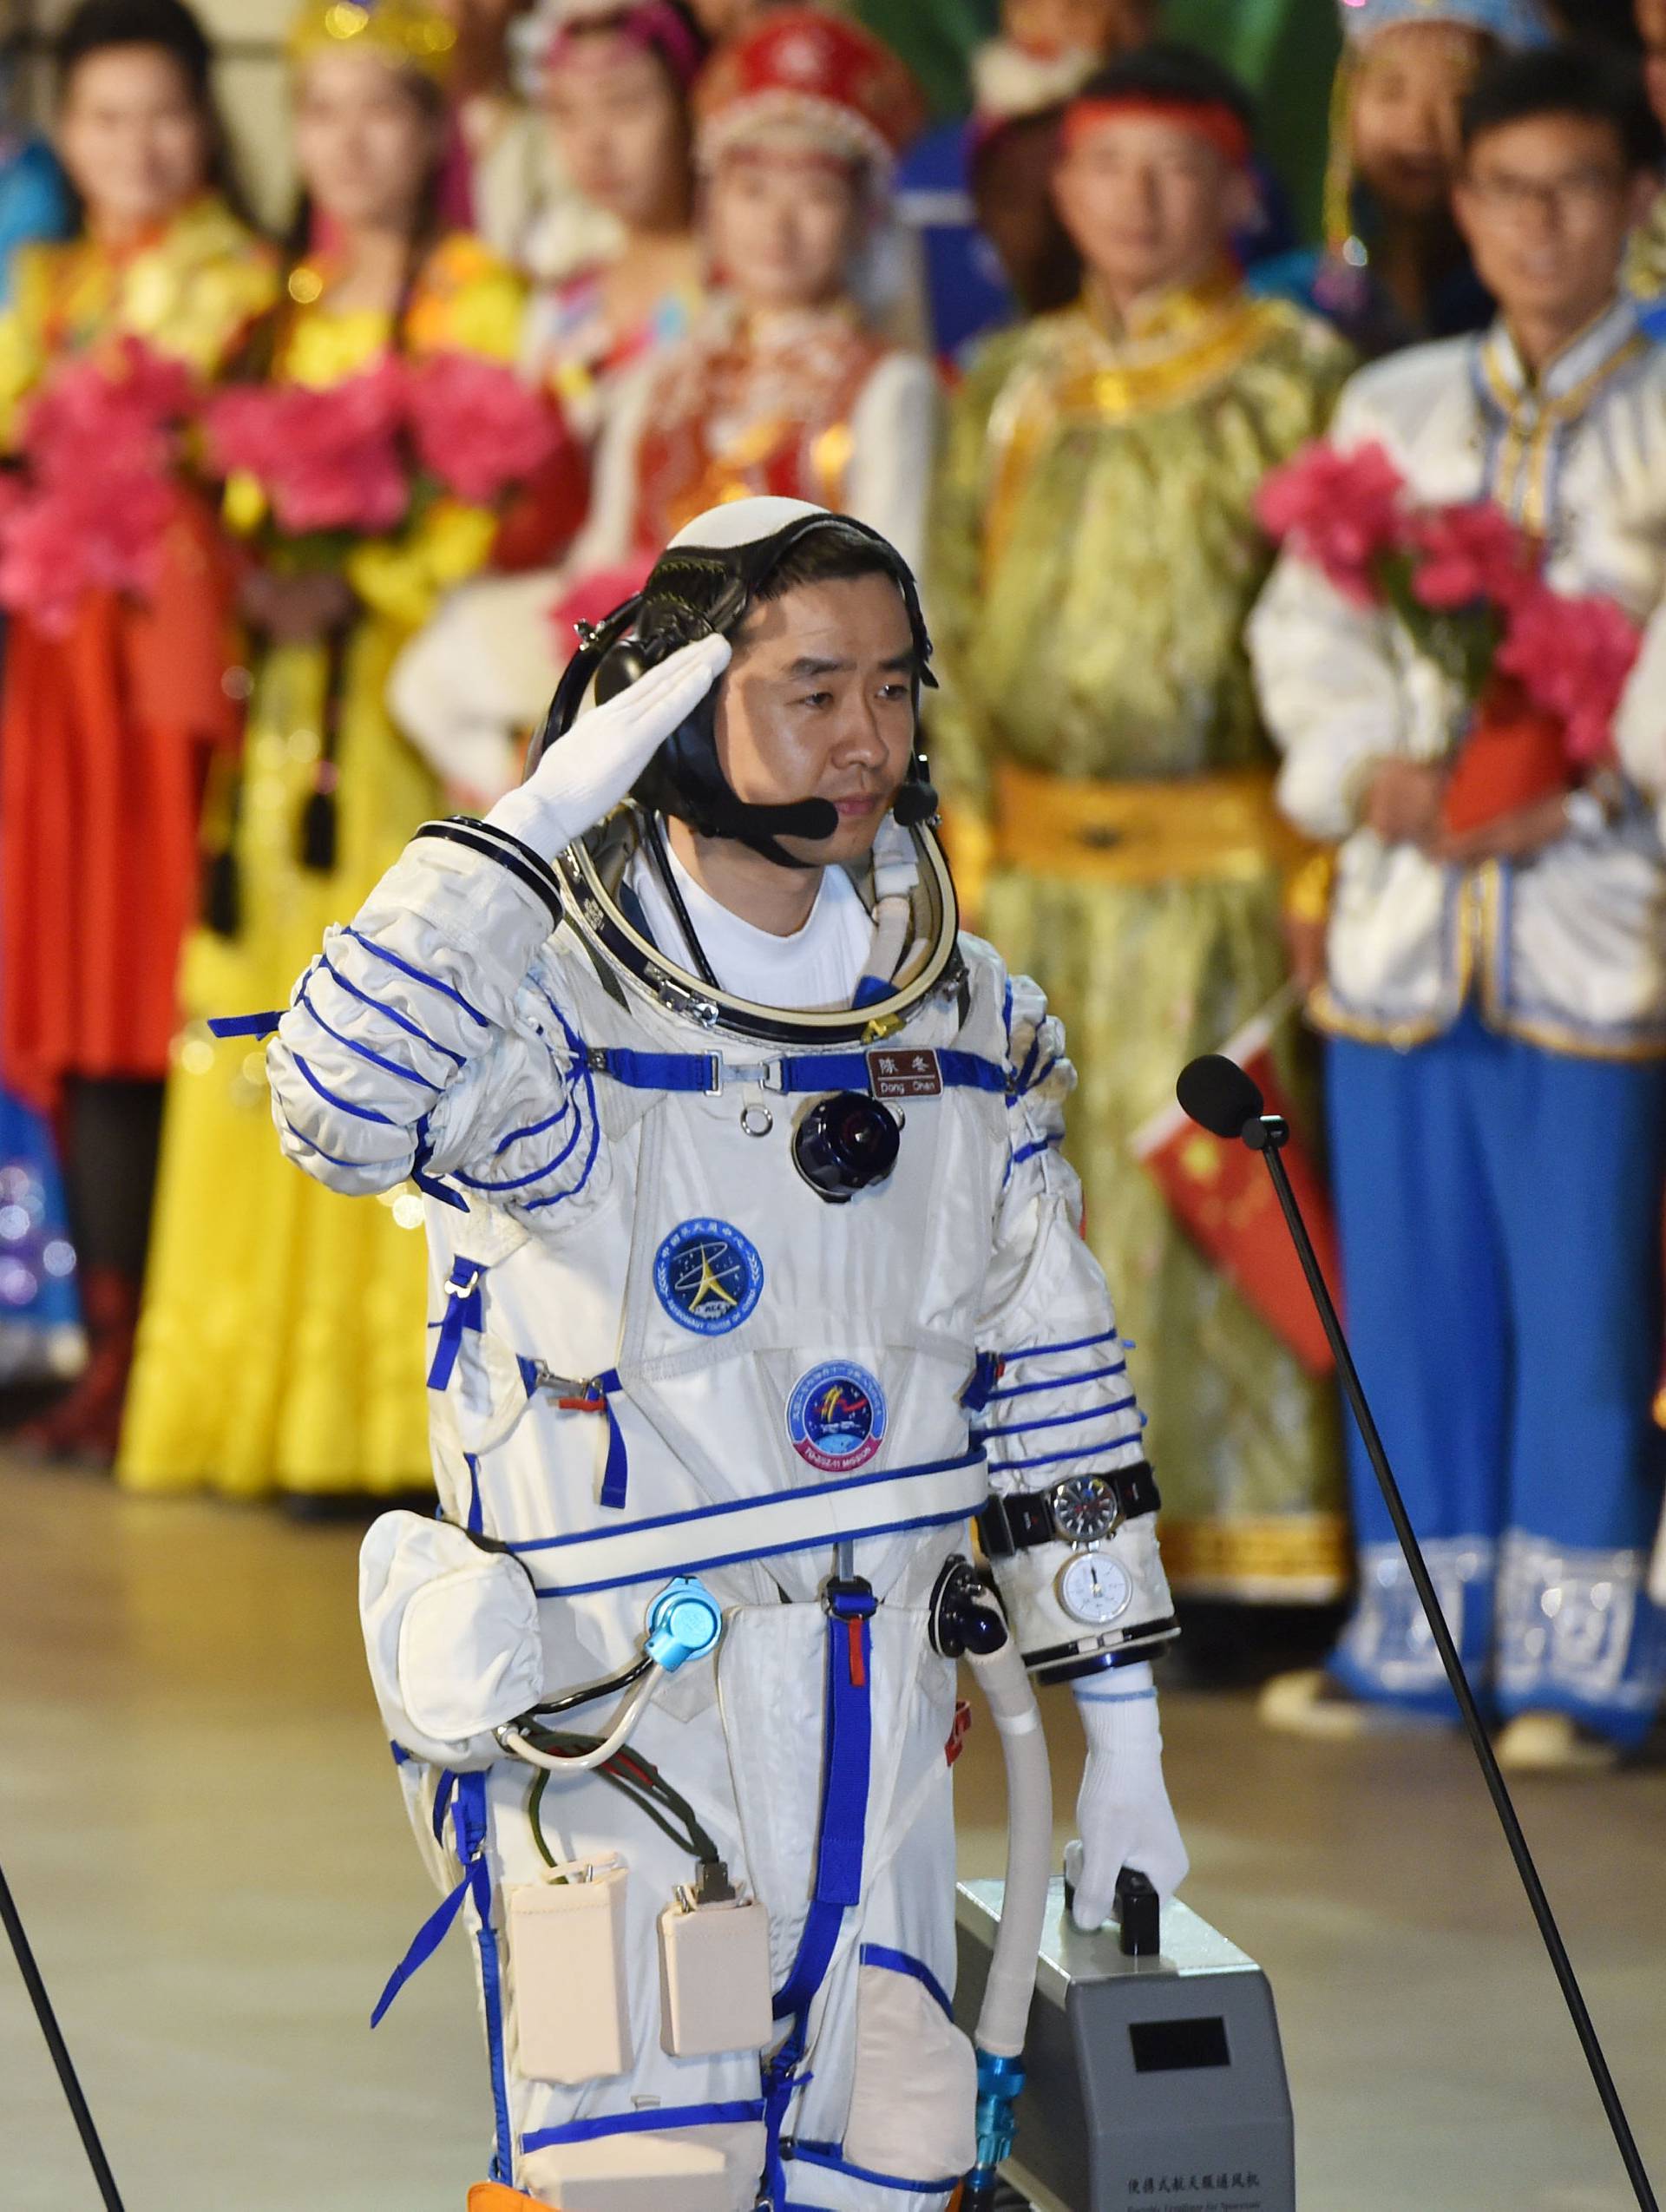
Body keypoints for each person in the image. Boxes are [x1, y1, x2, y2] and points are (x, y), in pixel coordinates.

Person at [261, 494, 1185, 2207]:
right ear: (675, 703)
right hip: (626, 1719)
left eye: (895, 691)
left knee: (890, 2156)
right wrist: (529, 824)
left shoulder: (965, 1021)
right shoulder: (560, 1012)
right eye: (811, 690)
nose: (865, 737)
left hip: (886, 1712)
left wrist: (1119, 1731)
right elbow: (336, 1101)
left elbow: (1049, 1372)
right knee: (641, 2164)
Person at [1250, 46, 1666, 1767]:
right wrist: (1374, 772)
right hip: (1410, 920)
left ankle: (1586, 1659)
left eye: (1578, 186)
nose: (1541, 223)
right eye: (1508, 190)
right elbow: (1305, 630)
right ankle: (1415, 1641)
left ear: (1640, 202)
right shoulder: (1393, 407)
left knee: (1587, 1300)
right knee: (1410, 1294)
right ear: (1466, 202)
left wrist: (1590, 777)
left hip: (1596, 912)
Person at [929, 45, 1354, 1618]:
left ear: (1240, 184)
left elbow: (1340, 623)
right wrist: (960, 832)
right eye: (1109, 166)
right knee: (1040, 1225)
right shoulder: (1011, 378)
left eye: (1179, 165)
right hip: (1035, 873)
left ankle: (1243, 1568)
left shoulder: (1294, 373)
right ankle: (1056, 1557)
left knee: (1210, 1220)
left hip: (1220, 878)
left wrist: (1312, 853)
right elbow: (951, 622)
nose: (1141, 199)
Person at [115, 0, 529, 1504]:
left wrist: (364, 570)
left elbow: (503, 507)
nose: (352, 144)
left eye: (384, 110)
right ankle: (259, 1408)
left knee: (404, 1014)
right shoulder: (263, 315)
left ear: (434, 133)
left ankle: (386, 1417)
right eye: (326, 111)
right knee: (258, 1023)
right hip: (282, 728)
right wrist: (241, 560)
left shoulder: (480, 300)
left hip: (405, 724)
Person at [390, 6, 935, 804]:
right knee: (434, 673)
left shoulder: (886, 386)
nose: (777, 226)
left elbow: (902, 604)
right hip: (651, 690)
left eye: (812, 195)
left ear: (861, 215)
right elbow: (603, 565)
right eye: (751, 191)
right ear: (713, 199)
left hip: (802, 718)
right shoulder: (666, 376)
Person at [0, 0, 278, 1461]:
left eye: (163, 113)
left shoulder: (246, 284)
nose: (137, 146)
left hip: (177, 676)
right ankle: (108, 1336)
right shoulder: (47, 282)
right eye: (105, 120)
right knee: (83, 994)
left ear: (205, 119)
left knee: (167, 986)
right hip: (61, 673)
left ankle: (168, 1342)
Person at [1251, 0, 1555, 358]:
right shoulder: (1284, 306)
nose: (1419, 127)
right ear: (1347, 105)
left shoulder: (1544, 295)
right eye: (1391, 91)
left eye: (1459, 96)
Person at [518, 0, 706, 405]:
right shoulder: (558, 307)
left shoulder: (737, 301)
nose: (594, 144)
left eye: (623, 105)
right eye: (566, 112)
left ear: (690, 107)